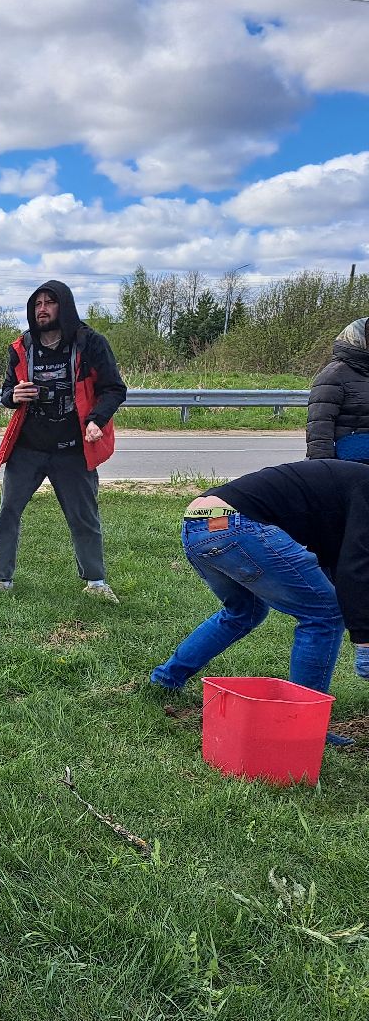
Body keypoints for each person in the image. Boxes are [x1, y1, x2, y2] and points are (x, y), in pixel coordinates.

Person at [149, 458, 369, 746]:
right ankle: (302, 725)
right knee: (324, 614)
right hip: (235, 526)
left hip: (199, 522)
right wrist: (364, 641)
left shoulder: (351, 483)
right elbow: (357, 566)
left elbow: (338, 563)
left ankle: (166, 679)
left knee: (243, 611)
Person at [0, 280, 126, 601]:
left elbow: (114, 388)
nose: (42, 309)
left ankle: (96, 583)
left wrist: (97, 419)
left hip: (73, 449)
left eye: (50, 302)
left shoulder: (90, 343)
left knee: (84, 517)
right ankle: (0, 579)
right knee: (8, 513)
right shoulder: (22, 347)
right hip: (27, 448)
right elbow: (5, 393)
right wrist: (13, 395)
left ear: (65, 306)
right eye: (37, 304)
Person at [306, 317, 369, 462]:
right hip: (348, 463)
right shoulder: (333, 375)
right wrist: (322, 465)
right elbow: (319, 426)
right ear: (359, 339)